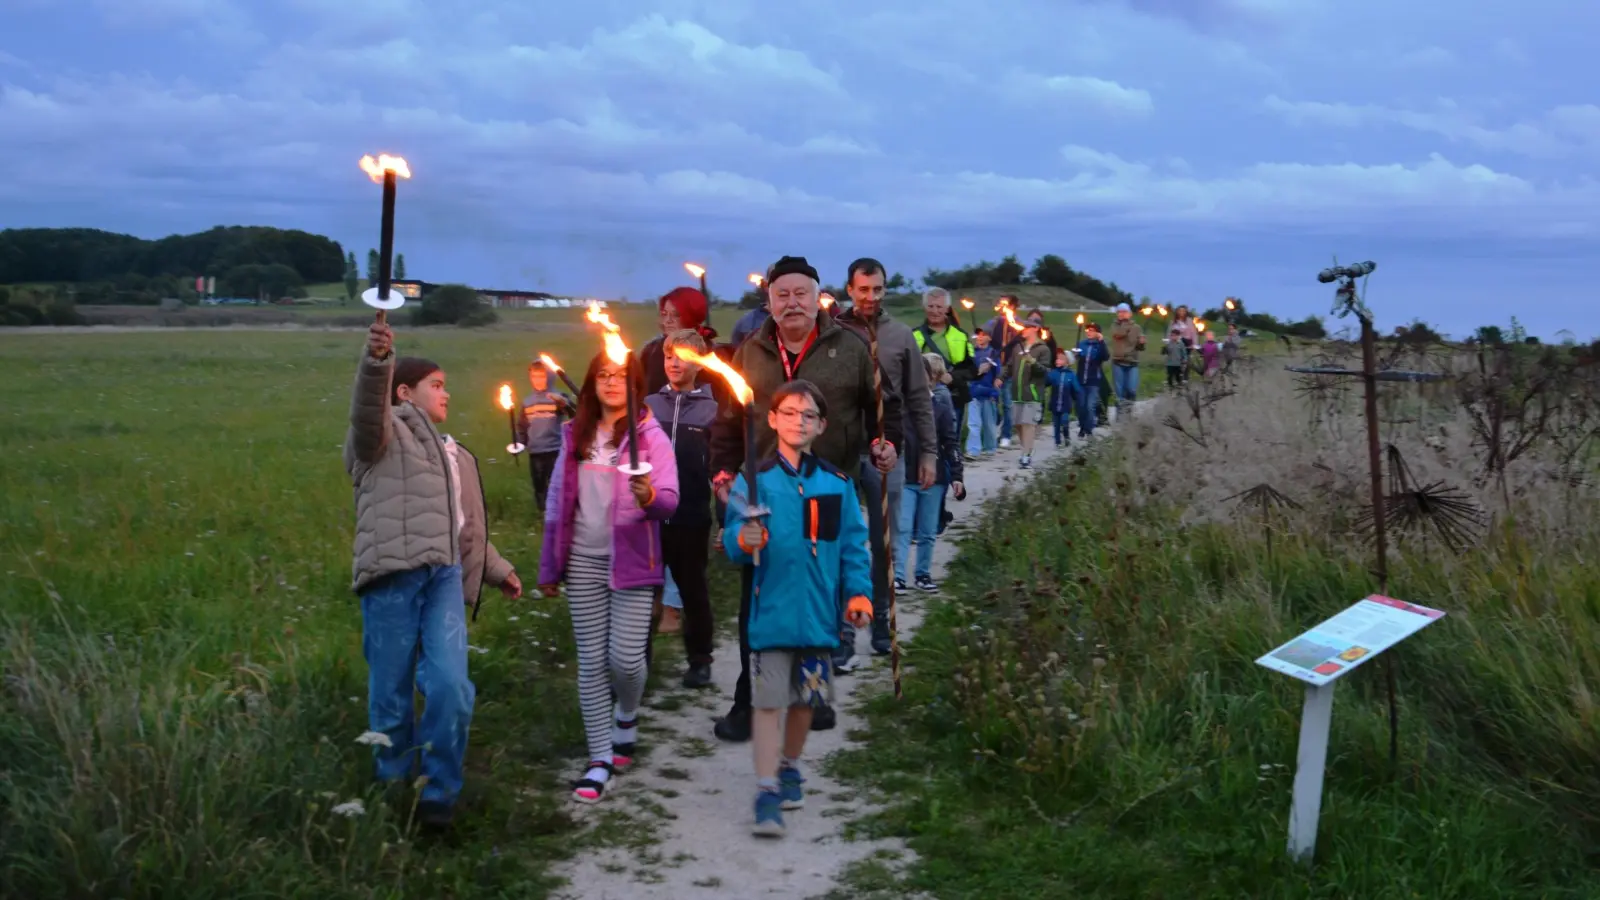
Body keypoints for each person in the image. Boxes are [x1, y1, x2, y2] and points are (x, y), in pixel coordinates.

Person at [709, 255, 902, 743]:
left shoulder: (852, 346)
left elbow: (883, 406)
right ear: (769, 301)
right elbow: (730, 422)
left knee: (821, 589)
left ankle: (812, 692)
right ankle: (747, 700)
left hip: (826, 487)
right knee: (758, 594)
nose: (791, 303)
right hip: (764, 490)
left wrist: (887, 442)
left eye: (801, 293)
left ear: (818, 297)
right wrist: (722, 470)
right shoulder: (750, 352)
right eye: (782, 295)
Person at [344, 320, 523, 829]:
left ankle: (438, 795)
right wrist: (378, 362)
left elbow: (463, 530)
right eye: (437, 385)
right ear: (404, 392)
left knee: (449, 685)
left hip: (443, 577)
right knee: (392, 694)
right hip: (391, 576)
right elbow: (365, 412)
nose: (447, 393)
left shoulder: (456, 455)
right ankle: (393, 789)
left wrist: (499, 570)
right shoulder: (380, 436)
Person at [723, 380, 874, 837]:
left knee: (807, 700)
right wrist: (742, 539)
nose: (798, 421)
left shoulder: (837, 483)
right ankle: (766, 790)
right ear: (772, 419)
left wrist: (858, 593)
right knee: (768, 703)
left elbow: (853, 544)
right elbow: (732, 540)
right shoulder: (753, 481)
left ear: (821, 426)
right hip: (770, 614)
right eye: (789, 413)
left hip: (819, 618)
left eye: (808, 415)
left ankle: (790, 765)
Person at [537, 351, 680, 804]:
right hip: (582, 560)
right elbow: (558, 505)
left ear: (635, 385)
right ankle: (599, 758)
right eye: (604, 375)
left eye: (621, 376)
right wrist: (549, 565)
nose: (612, 383)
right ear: (591, 383)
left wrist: (650, 495)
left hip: (633, 561)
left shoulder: (649, 436)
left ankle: (629, 712)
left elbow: (671, 500)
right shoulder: (573, 436)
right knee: (592, 661)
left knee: (626, 661)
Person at [835, 258, 936, 668]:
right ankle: (842, 631)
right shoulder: (832, 334)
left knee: (884, 545)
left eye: (877, 290)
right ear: (849, 289)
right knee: (841, 544)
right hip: (841, 454)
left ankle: (879, 626)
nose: (870, 297)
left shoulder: (900, 337)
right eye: (863, 289)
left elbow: (918, 399)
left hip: (886, 454)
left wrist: (928, 452)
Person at [643, 329, 719, 689]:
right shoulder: (648, 407)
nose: (674, 362)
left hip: (691, 515)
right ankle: (638, 662)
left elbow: (720, 466)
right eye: (669, 355)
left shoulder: (713, 409)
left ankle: (700, 659)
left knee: (693, 591)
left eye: (683, 356)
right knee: (643, 592)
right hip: (650, 518)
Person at [896, 354, 965, 592]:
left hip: (933, 479)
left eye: (921, 374)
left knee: (927, 530)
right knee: (903, 527)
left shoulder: (941, 406)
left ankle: (923, 574)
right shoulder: (898, 407)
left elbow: (950, 442)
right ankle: (898, 576)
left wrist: (957, 475)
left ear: (930, 378)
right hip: (905, 476)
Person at [912, 287, 977, 457]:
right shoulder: (913, 335)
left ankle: (952, 477)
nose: (935, 311)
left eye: (939, 307)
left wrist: (953, 377)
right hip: (922, 398)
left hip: (953, 396)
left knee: (950, 443)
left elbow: (972, 369)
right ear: (925, 308)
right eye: (931, 306)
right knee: (923, 443)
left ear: (947, 309)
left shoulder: (961, 336)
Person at [517, 359, 574, 514]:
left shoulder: (557, 398)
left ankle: (560, 510)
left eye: (542, 376)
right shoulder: (527, 402)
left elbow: (573, 413)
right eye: (534, 377)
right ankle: (542, 513)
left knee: (557, 483)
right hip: (535, 451)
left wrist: (565, 404)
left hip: (555, 449)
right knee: (539, 484)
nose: (538, 381)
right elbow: (522, 426)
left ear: (549, 377)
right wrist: (519, 443)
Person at [639, 287, 719, 396]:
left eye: (676, 315)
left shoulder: (709, 354)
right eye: (664, 314)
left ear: (691, 316)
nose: (668, 321)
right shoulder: (651, 350)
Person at [1003, 311, 1052, 468]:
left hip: (1033, 393)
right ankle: (1027, 449)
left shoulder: (1043, 349)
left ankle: (1026, 455)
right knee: (1017, 424)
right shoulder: (1018, 347)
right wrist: (1000, 377)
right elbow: (1010, 366)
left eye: (1027, 327)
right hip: (1017, 391)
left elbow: (1045, 371)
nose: (1023, 329)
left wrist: (1032, 362)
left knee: (1028, 423)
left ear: (1035, 328)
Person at [984, 295, 1019, 447]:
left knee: (1007, 403)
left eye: (1005, 303)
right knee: (991, 401)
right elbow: (983, 335)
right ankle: (996, 424)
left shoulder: (1017, 324)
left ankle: (1006, 434)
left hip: (1009, 369)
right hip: (994, 367)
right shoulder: (994, 322)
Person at [969, 328, 1001, 456]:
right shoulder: (971, 353)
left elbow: (998, 376)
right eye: (978, 335)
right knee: (973, 424)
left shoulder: (993, 354)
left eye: (984, 335)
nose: (980, 337)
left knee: (989, 424)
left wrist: (995, 393)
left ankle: (990, 448)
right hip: (974, 392)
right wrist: (977, 371)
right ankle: (973, 450)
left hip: (988, 394)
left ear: (990, 338)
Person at [1109, 302, 1146, 407]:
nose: (1121, 314)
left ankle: (1129, 411)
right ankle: (1120, 417)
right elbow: (1120, 334)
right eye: (1119, 312)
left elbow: (1140, 348)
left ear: (1130, 313)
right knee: (1119, 392)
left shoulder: (1137, 328)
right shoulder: (1114, 326)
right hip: (1118, 362)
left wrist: (1141, 343)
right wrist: (1126, 323)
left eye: (1124, 312)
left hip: (1132, 362)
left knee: (1132, 389)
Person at [1076, 323, 1110, 437]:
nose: (1088, 332)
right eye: (1087, 330)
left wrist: (1101, 341)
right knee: (1081, 406)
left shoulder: (1100, 345)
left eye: (1092, 330)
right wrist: (1075, 354)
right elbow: (1077, 356)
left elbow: (1105, 356)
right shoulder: (1082, 344)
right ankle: (1082, 426)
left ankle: (1088, 429)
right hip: (1081, 380)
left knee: (1090, 406)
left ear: (1097, 333)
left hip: (1093, 381)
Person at [1047, 349, 1082, 447]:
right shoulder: (1054, 373)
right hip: (1055, 403)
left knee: (1065, 421)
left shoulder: (1071, 375)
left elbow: (1076, 388)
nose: (1057, 361)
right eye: (1056, 359)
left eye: (1060, 359)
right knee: (1056, 424)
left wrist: (1078, 395)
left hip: (1066, 403)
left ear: (1067, 362)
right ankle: (1057, 441)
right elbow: (1047, 382)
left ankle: (1066, 436)